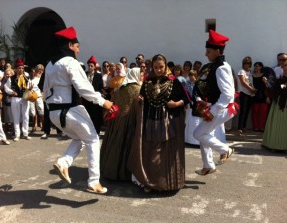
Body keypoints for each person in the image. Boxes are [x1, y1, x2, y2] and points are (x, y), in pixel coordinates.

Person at [43, 26, 114, 194]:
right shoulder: (71, 62)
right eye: (77, 46)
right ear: (70, 45)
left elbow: (45, 91)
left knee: (80, 139)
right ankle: (94, 181)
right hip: (69, 111)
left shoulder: (49, 65)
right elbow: (84, 89)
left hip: (54, 113)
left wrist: (49, 111)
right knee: (93, 139)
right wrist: (104, 102)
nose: (78, 49)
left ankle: (63, 163)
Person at [127, 54, 190, 192]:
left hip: (168, 123)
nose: (159, 70)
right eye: (156, 67)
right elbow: (142, 99)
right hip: (150, 122)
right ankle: (150, 182)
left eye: (161, 67)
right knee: (151, 154)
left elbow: (186, 99)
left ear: (166, 66)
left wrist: (176, 104)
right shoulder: (147, 83)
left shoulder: (174, 82)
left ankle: (166, 183)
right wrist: (138, 99)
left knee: (165, 155)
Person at [193, 30, 236, 176]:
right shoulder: (218, 65)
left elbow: (228, 94)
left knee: (198, 133)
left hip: (221, 109)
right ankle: (208, 165)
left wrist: (213, 110)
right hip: (216, 107)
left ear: (218, 51)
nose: (206, 54)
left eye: (209, 51)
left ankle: (225, 150)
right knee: (205, 134)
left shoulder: (221, 67)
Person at [100, 68, 142, 180]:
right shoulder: (138, 89)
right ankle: (125, 173)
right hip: (129, 120)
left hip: (116, 119)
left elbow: (113, 101)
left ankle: (111, 170)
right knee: (127, 146)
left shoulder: (119, 88)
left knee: (115, 144)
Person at [5, 58, 32, 142]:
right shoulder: (11, 78)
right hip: (15, 99)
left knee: (25, 116)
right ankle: (17, 135)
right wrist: (12, 92)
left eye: (22, 68)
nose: (21, 69)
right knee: (16, 117)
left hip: (24, 99)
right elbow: (6, 88)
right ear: (16, 69)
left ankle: (25, 134)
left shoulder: (26, 77)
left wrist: (30, 88)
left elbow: (30, 86)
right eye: (19, 68)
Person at [262, 61, 287, 151]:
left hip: (284, 105)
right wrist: (267, 83)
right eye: (284, 70)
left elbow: (282, 87)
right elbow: (274, 89)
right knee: (276, 125)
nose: (285, 72)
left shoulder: (281, 81)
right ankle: (274, 144)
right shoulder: (280, 80)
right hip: (278, 105)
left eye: (286, 70)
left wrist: (279, 86)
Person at [82, 56, 104, 134]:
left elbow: (101, 88)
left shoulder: (98, 76)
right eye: (89, 66)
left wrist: (97, 94)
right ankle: (87, 132)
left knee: (96, 116)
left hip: (95, 99)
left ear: (94, 67)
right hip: (86, 99)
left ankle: (96, 132)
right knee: (87, 116)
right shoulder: (84, 75)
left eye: (92, 66)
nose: (90, 67)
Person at [237, 56, 256, 134]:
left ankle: (244, 126)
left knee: (247, 110)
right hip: (244, 92)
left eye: (248, 63)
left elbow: (251, 81)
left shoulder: (250, 72)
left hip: (250, 93)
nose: (246, 65)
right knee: (243, 111)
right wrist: (251, 89)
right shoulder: (241, 71)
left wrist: (253, 89)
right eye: (245, 63)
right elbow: (243, 82)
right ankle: (240, 127)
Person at [251, 62, 269, 131]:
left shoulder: (264, 76)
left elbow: (267, 87)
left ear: (261, 67)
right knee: (255, 112)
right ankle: (255, 127)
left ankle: (261, 127)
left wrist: (267, 97)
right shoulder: (251, 75)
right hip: (254, 95)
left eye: (257, 66)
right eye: (255, 66)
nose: (255, 67)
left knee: (263, 113)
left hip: (263, 95)